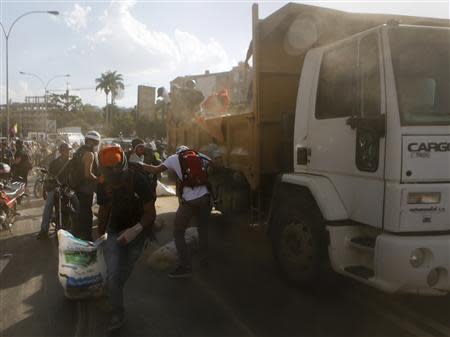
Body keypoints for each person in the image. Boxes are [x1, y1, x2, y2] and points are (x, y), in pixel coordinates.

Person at [96, 145, 156, 331]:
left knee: (124, 271)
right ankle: (117, 312)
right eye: (109, 169)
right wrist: (100, 236)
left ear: (122, 163)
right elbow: (104, 210)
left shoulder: (138, 180)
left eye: (116, 167)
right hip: (115, 230)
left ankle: (111, 291)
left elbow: (150, 213)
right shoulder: (103, 183)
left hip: (137, 233)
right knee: (114, 273)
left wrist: (136, 230)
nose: (114, 172)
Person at [144, 145, 212, 278]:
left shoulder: (174, 158)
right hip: (205, 198)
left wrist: (139, 165)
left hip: (189, 202)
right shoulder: (199, 156)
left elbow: (155, 170)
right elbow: (214, 165)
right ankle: (205, 260)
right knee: (203, 229)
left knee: (178, 231)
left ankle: (185, 267)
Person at [37, 143, 73, 239]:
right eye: (66, 150)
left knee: (75, 205)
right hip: (54, 187)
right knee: (48, 206)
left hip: (66, 188)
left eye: (69, 150)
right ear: (61, 152)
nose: (68, 152)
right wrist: (45, 188)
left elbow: (74, 176)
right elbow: (48, 176)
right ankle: (44, 230)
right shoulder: (54, 163)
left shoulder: (71, 162)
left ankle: (74, 228)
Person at [72, 131, 101, 241]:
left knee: (80, 211)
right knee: (87, 213)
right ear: (95, 142)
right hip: (85, 188)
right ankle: (87, 237)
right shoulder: (89, 154)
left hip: (77, 186)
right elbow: (87, 174)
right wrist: (98, 179)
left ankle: (77, 234)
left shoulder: (79, 151)